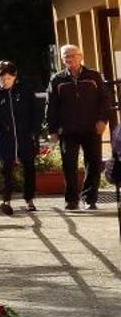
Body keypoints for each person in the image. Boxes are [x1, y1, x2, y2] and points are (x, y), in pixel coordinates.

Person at [44, 44, 114, 210]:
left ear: (81, 57)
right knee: (69, 166)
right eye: (65, 57)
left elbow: (106, 100)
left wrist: (103, 120)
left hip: (91, 128)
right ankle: (71, 200)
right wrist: (52, 129)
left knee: (94, 164)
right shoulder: (57, 79)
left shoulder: (94, 76)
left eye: (72, 55)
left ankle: (89, 199)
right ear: (62, 60)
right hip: (67, 130)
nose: (69, 59)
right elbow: (51, 105)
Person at [0, 60, 40, 213]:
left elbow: (35, 112)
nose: (5, 82)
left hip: (25, 136)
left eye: (8, 78)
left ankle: (29, 199)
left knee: (29, 167)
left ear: (14, 77)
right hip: (4, 138)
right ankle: (6, 200)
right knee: (5, 169)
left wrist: (34, 132)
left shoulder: (25, 90)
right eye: (2, 78)